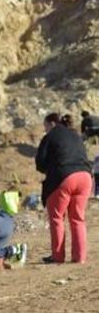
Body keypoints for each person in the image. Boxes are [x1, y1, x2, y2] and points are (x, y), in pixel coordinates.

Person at [36, 112, 92, 263]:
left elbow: (40, 163)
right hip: (85, 177)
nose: (45, 129)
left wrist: (51, 168)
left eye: (45, 126)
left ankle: (58, 256)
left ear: (51, 124)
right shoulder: (76, 135)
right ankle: (80, 257)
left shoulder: (50, 137)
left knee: (57, 218)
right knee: (78, 219)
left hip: (64, 177)